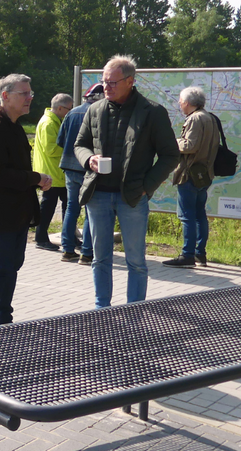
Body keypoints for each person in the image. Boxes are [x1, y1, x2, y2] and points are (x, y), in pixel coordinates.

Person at [74, 55, 178, 308]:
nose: (105, 87)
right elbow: (80, 145)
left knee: (136, 261)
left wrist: (146, 186)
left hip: (132, 197)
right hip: (97, 195)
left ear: (130, 81)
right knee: (100, 258)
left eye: (111, 82)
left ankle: (134, 311)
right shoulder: (95, 109)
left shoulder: (152, 112)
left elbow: (170, 155)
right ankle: (101, 308)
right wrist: (89, 160)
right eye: (103, 82)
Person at [0, 74, 51, 329]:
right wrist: (35, 177)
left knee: (11, 267)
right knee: (0, 268)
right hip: (2, 212)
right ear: (5, 96)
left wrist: (33, 180)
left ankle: (3, 320)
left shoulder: (14, 125)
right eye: (24, 93)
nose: (29, 98)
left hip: (17, 211)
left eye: (30, 93)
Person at [163, 86, 220, 268]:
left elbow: (190, 146)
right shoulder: (210, 117)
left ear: (187, 102)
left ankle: (187, 255)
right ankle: (199, 254)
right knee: (199, 214)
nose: (179, 104)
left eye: (180, 101)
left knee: (187, 216)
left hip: (189, 174)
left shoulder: (195, 119)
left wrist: (171, 141)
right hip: (204, 174)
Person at [56, 83, 104, 264]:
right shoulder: (99, 113)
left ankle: (67, 250)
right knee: (90, 209)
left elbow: (61, 140)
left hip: (69, 167)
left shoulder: (71, 113)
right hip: (89, 168)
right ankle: (86, 253)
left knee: (71, 208)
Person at [31, 93, 73, 251]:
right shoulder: (49, 123)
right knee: (49, 206)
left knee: (67, 205)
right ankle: (41, 238)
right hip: (51, 173)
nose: (70, 112)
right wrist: (71, 147)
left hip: (56, 172)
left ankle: (69, 236)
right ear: (60, 108)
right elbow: (51, 149)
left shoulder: (55, 121)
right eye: (69, 109)